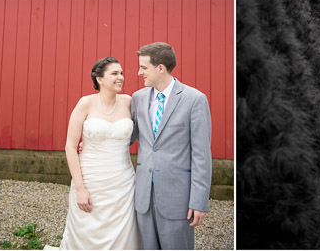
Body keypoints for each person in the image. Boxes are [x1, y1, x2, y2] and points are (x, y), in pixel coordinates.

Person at [52, 57, 141, 250]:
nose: (121, 78)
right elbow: (70, 147)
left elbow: (144, 134)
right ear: (100, 79)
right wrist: (80, 188)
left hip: (122, 182)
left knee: (123, 235)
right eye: (114, 73)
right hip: (91, 179)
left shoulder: (129, 102)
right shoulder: (85, 103)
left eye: (121, 73)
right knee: (86, 231)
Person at [130, 42, 212, 250]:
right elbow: (128, 137)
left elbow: (201, 154)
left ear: (160, 68)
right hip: (144, 197)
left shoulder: (195, 100)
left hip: (178, 198)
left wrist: (199, 200)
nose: (139, 72)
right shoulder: (138, 99)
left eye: (143, 67)